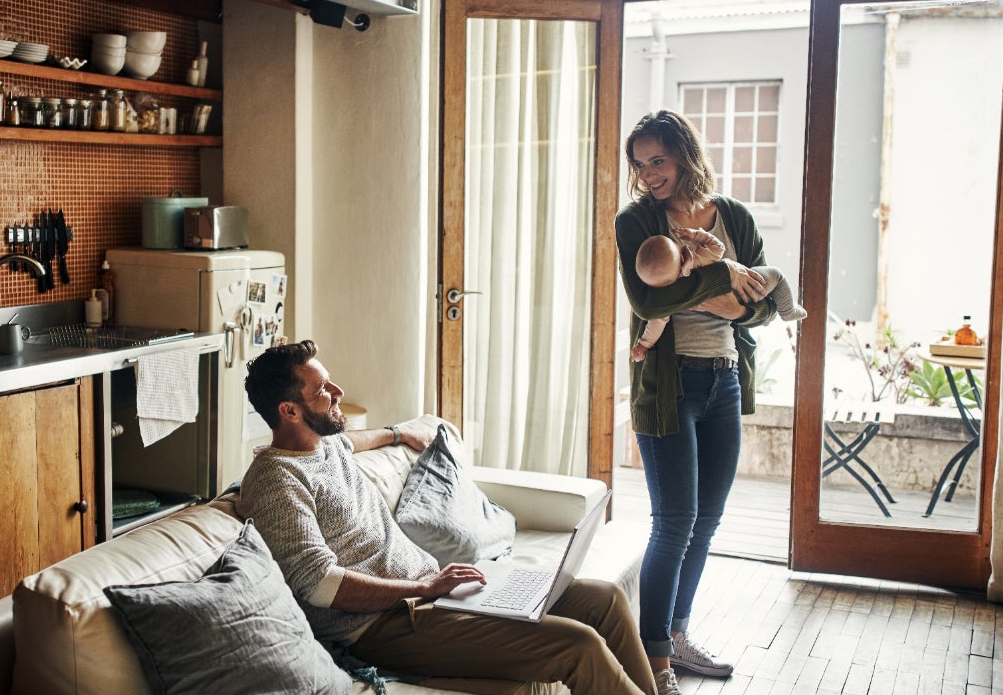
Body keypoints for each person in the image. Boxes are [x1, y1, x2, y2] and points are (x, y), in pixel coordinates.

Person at [237, 340, 657, 695]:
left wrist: (397, 433)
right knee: (578, 644)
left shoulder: (324, 445)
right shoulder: (277, 480)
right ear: (289, 412)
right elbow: (320, 585)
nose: (338, 390)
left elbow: (351, 441)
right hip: (383, 626)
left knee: (604, 599)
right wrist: (423, 586)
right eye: (322, 390)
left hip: (435, 593)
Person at [615, 110, 779, 695]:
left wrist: (720, 285)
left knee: (706, 522)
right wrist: (727, 277)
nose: (649, 174)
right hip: (668, 387)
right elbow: (644, 296)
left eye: (657, 160)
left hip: (723, 379)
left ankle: (677, 637)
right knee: (674, 523)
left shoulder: (733, 216)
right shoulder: (636, 221)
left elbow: (763, 302)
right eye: (640, 165)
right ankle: (653, 659)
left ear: (685, 154)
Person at [631, 226, 806, 362]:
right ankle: (788, 310)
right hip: (745, 291)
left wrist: (644, 344)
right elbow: (718, 247)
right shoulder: (697, 258)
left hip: (727, 313)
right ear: (682, 256)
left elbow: (658, 321)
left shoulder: (668, 294)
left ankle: (784, 309)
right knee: (776, 275)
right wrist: (695, 236)